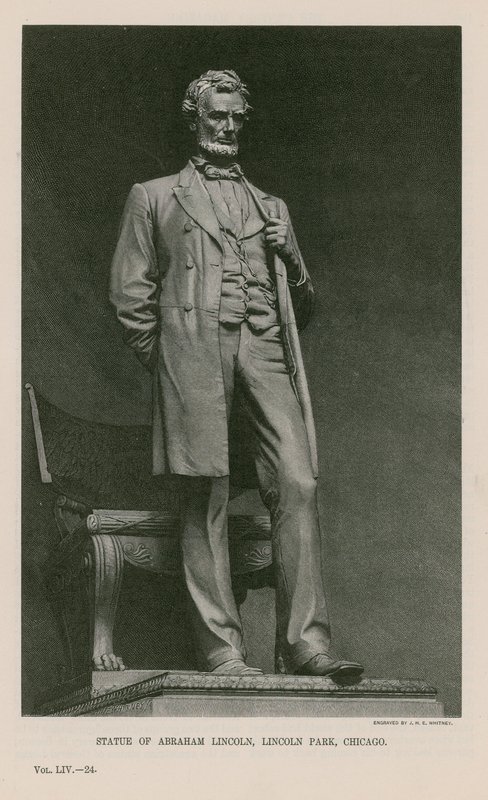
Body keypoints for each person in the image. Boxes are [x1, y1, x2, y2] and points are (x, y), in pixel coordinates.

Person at [110, 69, 363, 679]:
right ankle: (222, 650)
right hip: (194, 355)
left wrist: (292, 257)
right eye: (215, 115)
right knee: (207, 493)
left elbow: (303, 309)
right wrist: (170, 362)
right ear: (194, 119)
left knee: (298, 482)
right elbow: (130, 295)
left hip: (266, 350)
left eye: (234, 117)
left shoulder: (272, 207)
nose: (226, 127)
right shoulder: (155, 196)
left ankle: (306, 645)